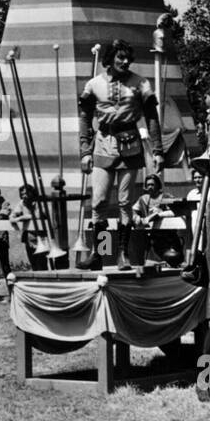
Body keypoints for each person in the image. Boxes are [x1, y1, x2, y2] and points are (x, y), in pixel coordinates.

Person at [78, 38, 164, 268]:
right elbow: (85, 117)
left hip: (130, 146)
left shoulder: (141, 83)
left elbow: (152, 117)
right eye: (120, 58)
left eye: (128, 58)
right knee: (99, 202)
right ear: (110, 58)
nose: (125, 62)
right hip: (103, 142)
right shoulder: (93, 84)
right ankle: (101, 253)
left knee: (125, 202)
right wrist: (85, 150)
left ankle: (123, 254)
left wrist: (158, 150)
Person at [132, 174, 183, 266]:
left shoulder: (166, 196)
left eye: (152, 184)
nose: (150, 187)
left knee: (172, 259)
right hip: (152, 236)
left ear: (158, 185)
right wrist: (136, 217)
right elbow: (132, 210)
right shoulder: (143, 199)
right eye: (148, 185)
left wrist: (160, 213)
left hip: (168, 237)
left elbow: (176, 211)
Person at [9, 184, 49, 272]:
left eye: (26, 193)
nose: (24, 196)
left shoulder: (38, 202)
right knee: (33, 264)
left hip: (42, 238)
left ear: (32, 193)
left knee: (42, 265)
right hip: (29, 239)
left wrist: (21, 218)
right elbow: (12, 215)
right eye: (22, 194)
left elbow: (38, 215)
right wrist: (14, 218)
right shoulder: (22, 203)